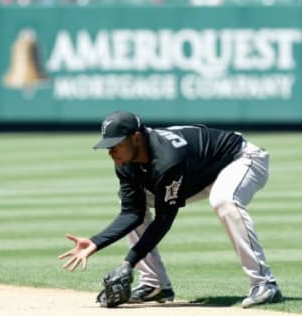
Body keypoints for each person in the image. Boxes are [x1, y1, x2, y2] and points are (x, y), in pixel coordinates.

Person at [58, 111, 282, 308]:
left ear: (136, 138)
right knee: (135, 202)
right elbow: (132, 213)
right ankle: (154, 284)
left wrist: (128, 262)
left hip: (241, 159)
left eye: (116, 144)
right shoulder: (126, 164)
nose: (111, 151)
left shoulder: (167, 159)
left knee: (224, 200)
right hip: (198, 174)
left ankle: (264, 284)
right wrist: (96, 242)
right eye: (108, 145)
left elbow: (164, 218)